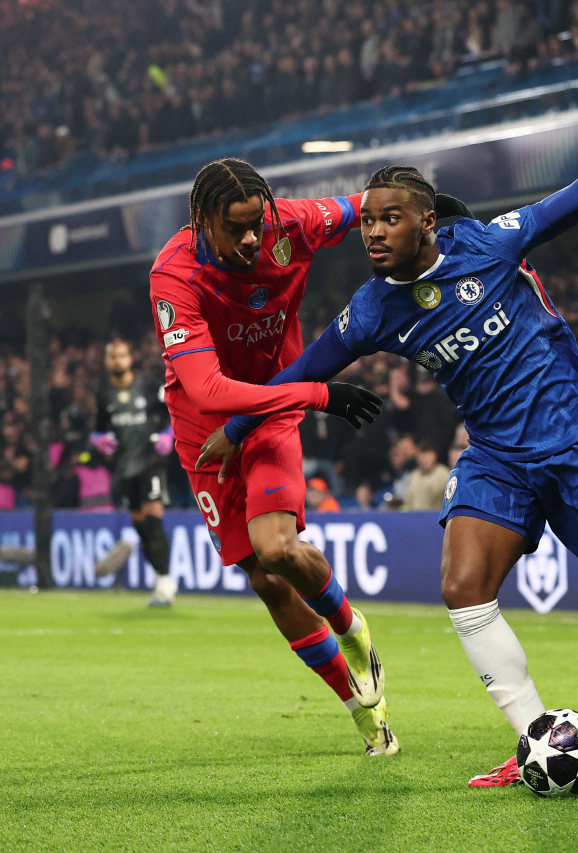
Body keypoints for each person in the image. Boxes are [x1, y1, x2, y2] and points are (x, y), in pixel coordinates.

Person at [203, 81, 578, 785]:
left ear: (427, 222)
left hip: (577, 442)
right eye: (367, 221)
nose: (373, 232)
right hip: (497, 457)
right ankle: (535, 741)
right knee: (463, 586)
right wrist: (238, 425)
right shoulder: (372, 309)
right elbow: (305, 369)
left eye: (390, 219)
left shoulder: (491, 244)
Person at [149, 157, 395, 755]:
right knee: (265, 579)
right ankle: (360, 709)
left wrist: (434, 212)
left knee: (278, 549)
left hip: (271, 410)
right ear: (202, 219)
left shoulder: (291, 223)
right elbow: (208, 390)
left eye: (256, 224)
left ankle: (351, 628)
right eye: (235, 228)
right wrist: (320, 394)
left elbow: (366, 204)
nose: (251, 238)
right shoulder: (174, 274)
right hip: (204, 426)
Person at [91, 340, 177, 606]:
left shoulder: (149, 385)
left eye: (122, 355)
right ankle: (161, 580)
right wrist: (98, 440)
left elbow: (173, 411)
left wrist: (169, 435)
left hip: (151, 463)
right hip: (125, 468)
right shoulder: (103, 393)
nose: (117, 360)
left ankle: (165, 583)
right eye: (112, 356)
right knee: (141, 527)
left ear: (130, 358)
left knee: (152, 521)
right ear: (107, 361)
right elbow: (98, 429)